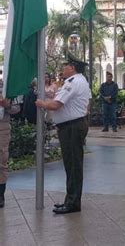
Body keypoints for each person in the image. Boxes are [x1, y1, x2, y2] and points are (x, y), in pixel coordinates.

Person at [35, 52, 91, 214]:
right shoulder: (78, 81)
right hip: (71, 126)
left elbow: (56, 105)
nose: (63, 69)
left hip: (72, 127)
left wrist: (42, 103)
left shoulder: (72, 82)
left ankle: (73, 203)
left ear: (72, 68)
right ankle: (71, 200)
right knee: (71, 164)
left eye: (65, 66)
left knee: (73, 165)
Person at [0, 80, 21, 208]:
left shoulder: (8, 88)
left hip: (2, 127)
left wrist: (6, 105)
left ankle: (0, 195)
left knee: (1, 161)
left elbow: (17, 108)